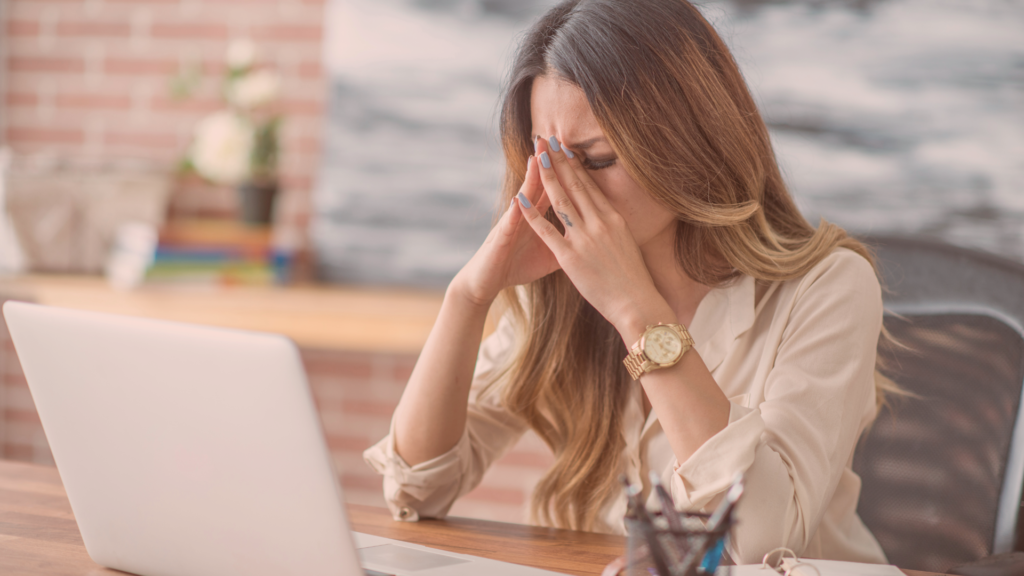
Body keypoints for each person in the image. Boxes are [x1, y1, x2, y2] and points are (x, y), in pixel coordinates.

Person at [364, 0, 892, 564]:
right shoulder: (565, 290)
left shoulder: (829, 287)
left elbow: (756, 541)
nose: (567, 191)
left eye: (596, 161)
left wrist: (636, 311)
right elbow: (417, 489)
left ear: (686, 143)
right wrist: (468, 297)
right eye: (552, 160)